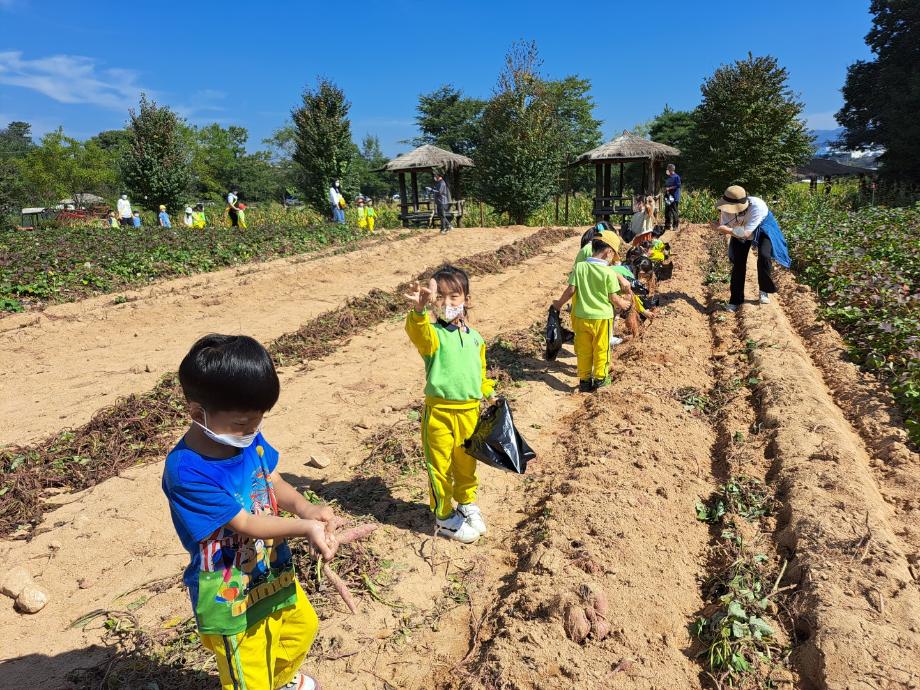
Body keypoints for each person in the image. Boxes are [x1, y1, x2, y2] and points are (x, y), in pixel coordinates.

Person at [162, 334, 336, 690]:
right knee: (248, 667)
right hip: (228, 587)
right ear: (198, 414)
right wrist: (304, 527)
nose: (253, 430)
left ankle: (282, 680)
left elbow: (272, 480)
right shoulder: (187, 471)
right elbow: (245, 522)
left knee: (300, 628)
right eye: (243, 423)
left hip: (270, 568)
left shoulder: (246, 437)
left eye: (258, 420)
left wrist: (306, 506)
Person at [404, 266, 494, 544]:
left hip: (469, 413)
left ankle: (466, 502)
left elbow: (480, 374)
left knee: (466, 463)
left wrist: (489, 394)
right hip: (439, 414)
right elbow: (417, 333)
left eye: (454, 296)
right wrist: (418, 312)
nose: (447, 304)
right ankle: (444, 516)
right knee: (439, 467)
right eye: (439, 298)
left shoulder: (476, 338)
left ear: (466, 298)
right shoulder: (432, 335)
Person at [552, 230, 633, 392]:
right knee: (602, 348)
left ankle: (585, 380)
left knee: (584, 349)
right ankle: (601, 379)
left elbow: (571, 290)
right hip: (602, 319)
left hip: (581, 318)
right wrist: (623, 304)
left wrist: (559, 304)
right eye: (613, 255)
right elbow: (613, 298)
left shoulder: (580, 267)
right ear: (608, 252)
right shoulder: (609, 273)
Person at [711, 185, 791, 312]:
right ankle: (735, 300)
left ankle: (764, 290)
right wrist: (724, 228)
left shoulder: (757, 207)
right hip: (739, 230)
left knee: (764, 256)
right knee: (738, 263)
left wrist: (727, 230)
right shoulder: (726, 209)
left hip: (763, 228)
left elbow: (746, 233)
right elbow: (727, 227)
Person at [664, 164, 681, 231]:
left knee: (674, 211)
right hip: (668, 197)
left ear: (671, 169)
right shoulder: (669, 177)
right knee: (667, 211)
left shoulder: (676, 177)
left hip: (674, 197)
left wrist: (669, 188)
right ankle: (667, 225)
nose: (667, 170)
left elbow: (678, 185)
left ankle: (675, 226)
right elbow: (666, 185)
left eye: (668, 169)